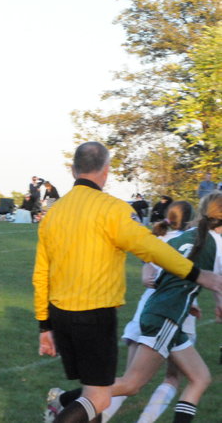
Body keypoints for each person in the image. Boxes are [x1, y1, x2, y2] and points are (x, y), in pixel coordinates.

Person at [33, 142, 222, 423]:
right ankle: (58, 409)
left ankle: (60, 403)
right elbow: (151, 248)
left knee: (95, 395)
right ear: (106, 171)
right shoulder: (113, 209)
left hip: (60, 314)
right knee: (99, 397)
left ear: (73, 170)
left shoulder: (54, 212)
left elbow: (40, 272)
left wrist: (44, 325)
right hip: (94, 313)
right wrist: (197, 274)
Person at [101, 201, 195, 422]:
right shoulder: (192, 240)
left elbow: (148, 264)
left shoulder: (158, 238)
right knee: (173, 378)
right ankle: (69, 401)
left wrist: (146, 270)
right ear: (190, 220)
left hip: (145, 311)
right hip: (176, 314)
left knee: (128, 383)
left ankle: (79, 411)